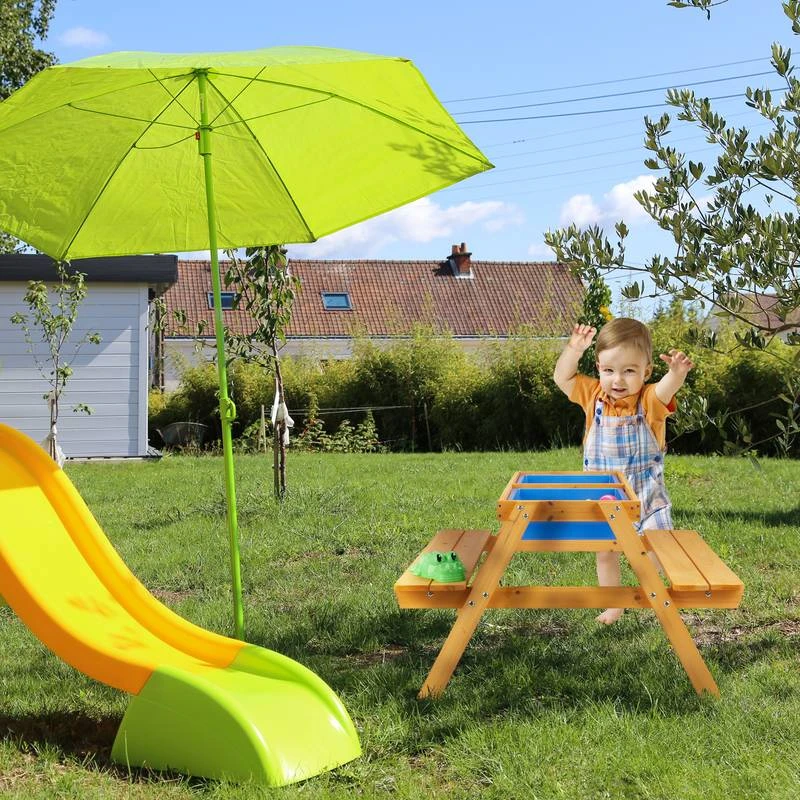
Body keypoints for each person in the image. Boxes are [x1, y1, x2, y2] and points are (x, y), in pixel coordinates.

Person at [553, 317, 694, 624]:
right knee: (606, 553)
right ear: (598, 368)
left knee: (655, 549)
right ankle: (613, 604)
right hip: (605, 495)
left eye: (629, 371)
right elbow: (562, 377)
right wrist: (573, 350)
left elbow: (666, 389)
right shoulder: (593, 395)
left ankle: (651, 595)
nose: (617, 380)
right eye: (608, 370)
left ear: (646, 372)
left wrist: (676, 373)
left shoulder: (649, 400)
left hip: (646, 495)